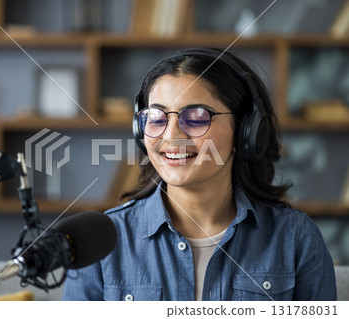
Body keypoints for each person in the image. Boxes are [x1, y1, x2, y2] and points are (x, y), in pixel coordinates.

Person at [62, 47, 336, 301]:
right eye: (156, 118)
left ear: (245, 131)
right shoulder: (101, 244)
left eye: (196, 118)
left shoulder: (295, 238)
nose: (171, 136)